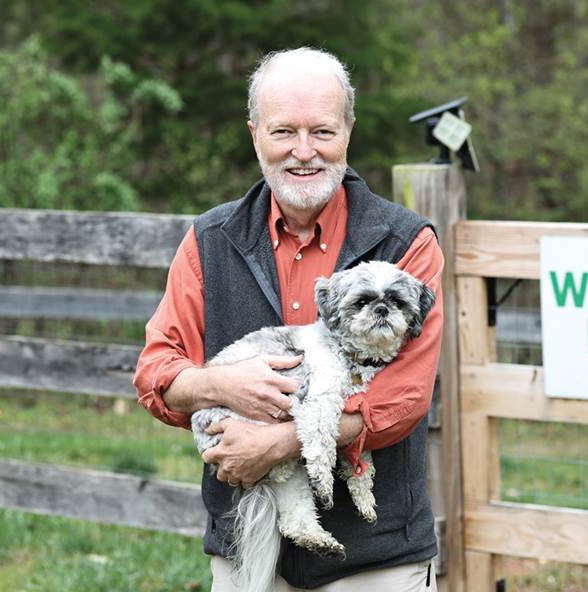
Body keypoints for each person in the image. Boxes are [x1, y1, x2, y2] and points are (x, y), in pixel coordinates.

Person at [133, 47, 444, 591]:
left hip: (376, 558)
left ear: (348, 131)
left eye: (322, 132)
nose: (304, 152)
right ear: (255, 135)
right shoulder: (209, 240)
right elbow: (156, 372)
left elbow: (404, 400)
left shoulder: (407, 242)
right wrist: (219, 383)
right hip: (247, 550)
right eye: (283, 133)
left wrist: (278, 444)